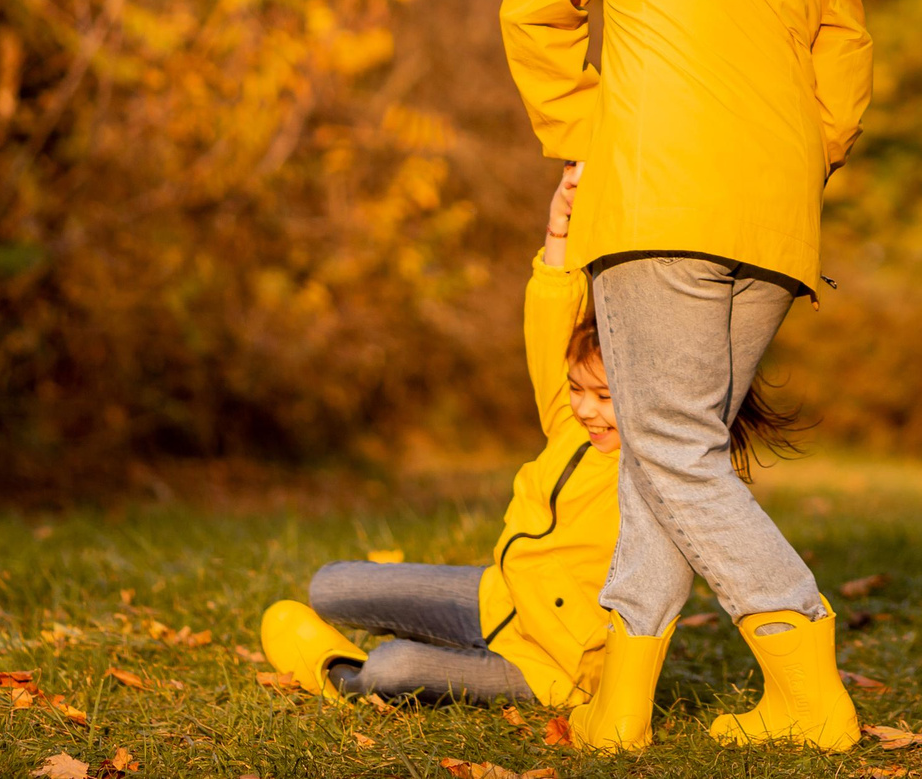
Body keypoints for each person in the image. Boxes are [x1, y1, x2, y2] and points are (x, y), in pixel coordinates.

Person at [499, 0, 882, 753]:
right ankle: (620, 710)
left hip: (655, 208)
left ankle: (807, 677)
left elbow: (530, 9)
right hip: (773, 224)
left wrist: (588, 133)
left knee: (670, 450)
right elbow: (842, 92)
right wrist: (788, 173)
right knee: (672, 457)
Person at [255, 181, 798, 709]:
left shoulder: (661, 466)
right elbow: (550, 324)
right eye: (580, 390)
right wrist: (559, 233)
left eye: (606, 396)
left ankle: (344, 676)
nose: (586, 408)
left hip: (554, 668)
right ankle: (436, 646)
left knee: (393, 668)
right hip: (498, 600)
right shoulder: (571, 425)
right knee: (330, 585)